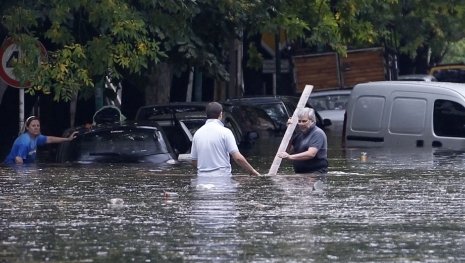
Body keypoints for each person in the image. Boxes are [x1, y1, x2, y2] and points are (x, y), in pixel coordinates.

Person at [191, 102, 260, 176]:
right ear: (220, 114)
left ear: (207, 115)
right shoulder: (225, 132)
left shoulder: (197, 133)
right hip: (222, 177)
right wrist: (252, 170)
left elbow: (194, 160)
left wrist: (206, 168)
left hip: (202, 178)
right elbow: (237, 158)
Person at [3, 116, 78, 164]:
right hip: (10, 167)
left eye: (37, 126)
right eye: (33, 126)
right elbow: (18, 159)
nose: (36, 127)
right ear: (27, 127)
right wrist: (23, 176)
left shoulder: (36, 137)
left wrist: (68, 139)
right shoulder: (25, 141)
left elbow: (50, 139)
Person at [277, 107, 328, 174]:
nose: (301, 124)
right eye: (299, 121)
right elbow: (287, 151)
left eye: (304, 121)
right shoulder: (300, 135)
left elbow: (311, 154)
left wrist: (290, 157)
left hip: (315, 173)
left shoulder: (317, 133)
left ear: (312, 121)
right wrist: (288, 132)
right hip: (300, 173)